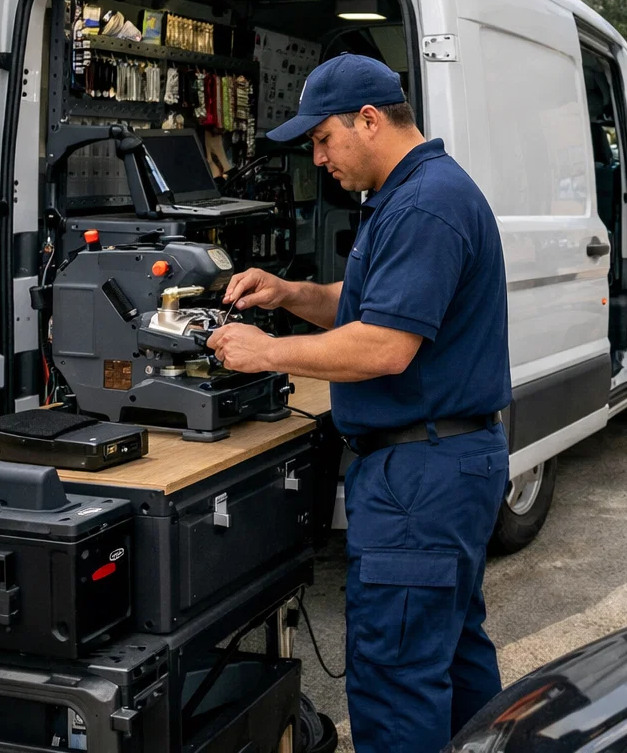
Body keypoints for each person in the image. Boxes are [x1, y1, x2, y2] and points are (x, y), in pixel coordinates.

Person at [206, 54, 511, 753]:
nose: (317, 159)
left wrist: (266, 352)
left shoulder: (424, 204)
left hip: (420, 477)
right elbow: (365, 304)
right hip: (439, 464)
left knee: (397, 681)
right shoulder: (415, 193)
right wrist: (288, 294)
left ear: (368, 120)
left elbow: (384, 346)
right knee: (455, 661)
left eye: (323, 139)